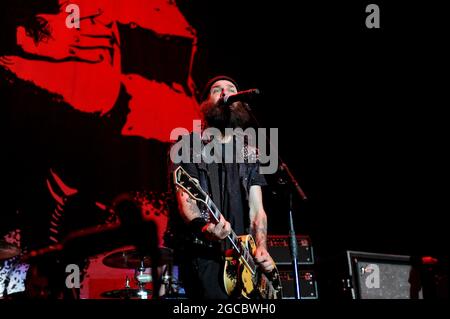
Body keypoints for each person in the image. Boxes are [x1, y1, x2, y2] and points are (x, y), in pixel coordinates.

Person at [171, 76, 275, 299]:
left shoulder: (250, 153)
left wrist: (261, 247)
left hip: (244, 259)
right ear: (207, 103)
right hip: (205, 255)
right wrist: (207, 230)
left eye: (231, 89)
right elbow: (186, 202)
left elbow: (258, 211)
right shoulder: (187, 146)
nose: (225, 93)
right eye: (217, 90)